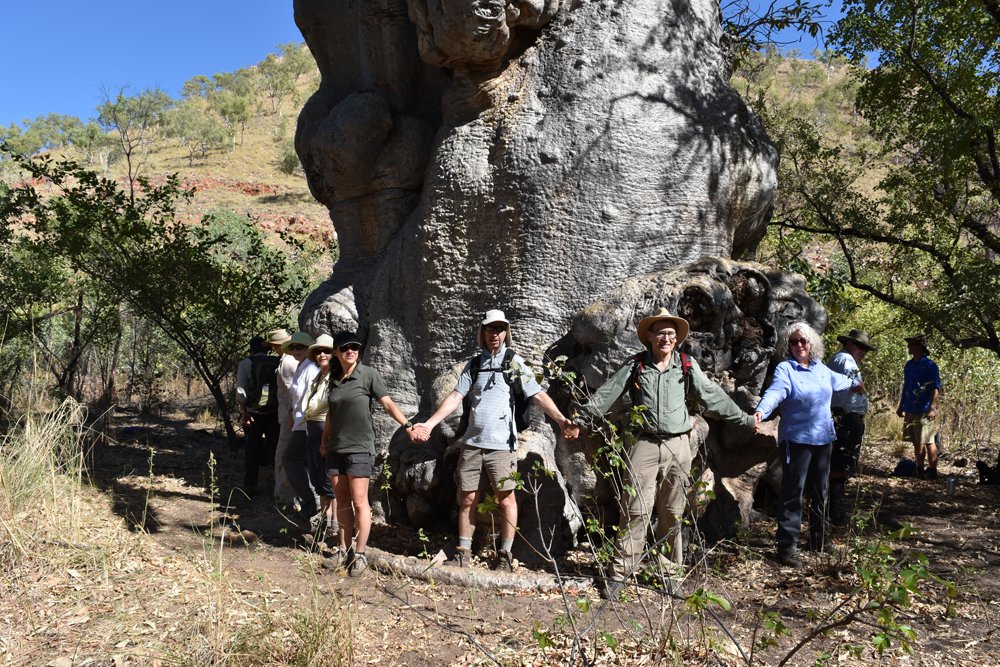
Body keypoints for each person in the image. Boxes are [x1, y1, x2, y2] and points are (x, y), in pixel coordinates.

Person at [568, 307, 758, 598]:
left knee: (672, 510)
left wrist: (744, 419)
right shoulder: (635, 365)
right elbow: (607, 393)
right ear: (650, 336)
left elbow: (712, 395)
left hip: (679, 445)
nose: (666, 338)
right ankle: (620, 573)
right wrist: (581, 419)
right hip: (643, 444)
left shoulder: (685, 365)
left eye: (671, 333)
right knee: (635, 509)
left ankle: (669, 574)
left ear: (676, 338)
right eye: (660, 333)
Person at [411, 310, 575, 571]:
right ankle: (463, 551)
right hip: (472, 443)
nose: (494, 334)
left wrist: (560, 419)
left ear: (506, 332)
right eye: (490, 329)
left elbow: (537, 395)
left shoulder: (514, 363)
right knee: (466, 498)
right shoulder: (474, 365)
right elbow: (455, 396)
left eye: (499, 329)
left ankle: (505, 555)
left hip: (502, 445)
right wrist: (429, 424)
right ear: (483, 333)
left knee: (506, 498)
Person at [755, 322, 856, 568]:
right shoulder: (785, 369)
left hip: (824, 439)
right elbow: (776, 392)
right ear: (788, 346)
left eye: (803, 341)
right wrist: (760, 411)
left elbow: (843, 381)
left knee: (820, 491)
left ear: (812, 344)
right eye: (794, 342)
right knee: (793, 492)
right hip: (797, 440)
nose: (799, 345)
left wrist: (856, 381)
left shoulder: (822, 369)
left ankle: (819, 540)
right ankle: (787, 546)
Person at [322, 330, 420, 576]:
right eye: (345, 348)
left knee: (359, 501)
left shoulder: (368, 375)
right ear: (336, 352)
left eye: (354, 347)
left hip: (359, 449)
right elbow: (331, 415)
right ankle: (342, 551)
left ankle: (361, 554)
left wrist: (407, 426)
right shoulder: (334, 378)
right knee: (342, 501)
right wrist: (324, 441)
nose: (350, 351)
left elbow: (387, 403)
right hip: (335, 449)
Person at [827, 329, 874, 526]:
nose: (862, 351)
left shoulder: (841, 359)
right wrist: (863, 388)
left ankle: (832, 506)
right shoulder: (846, 360)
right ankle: (834, 509)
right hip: (846, 416)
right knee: (841, 462)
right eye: (859, 346)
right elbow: (855, 385)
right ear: (848, 344)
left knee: (840, 460)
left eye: (865, 348)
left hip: (844, 415)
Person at [235, 335, 280, 497]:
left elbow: (240, 391)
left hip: (253, 414)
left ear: (251, 349)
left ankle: (250, 484)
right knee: (276, 448)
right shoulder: (276, 362)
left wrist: (244, 412)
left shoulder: (246, 364)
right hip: (273, 413)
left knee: (252, 449)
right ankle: (279, 485)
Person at [303, 334, 337, 539]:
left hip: (326, 428)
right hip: (313, 428)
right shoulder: (318, 377)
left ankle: (333, 524)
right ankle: (325, 522)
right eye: (318, 351)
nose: (321, 354)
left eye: (326, 351)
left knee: (327, 476)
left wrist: (326, 438)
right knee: (317, 475)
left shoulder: (335, 377)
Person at [283, 331, 319, 519]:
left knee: (290, 459)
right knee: (304, 462)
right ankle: (311, 502)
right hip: (299, 423)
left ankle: (310, 501)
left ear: (308, 349)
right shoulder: (301, 367)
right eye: (293, 347)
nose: (296, 350)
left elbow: (313, 399)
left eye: (300, 347)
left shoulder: (311, 368)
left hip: (307, 424)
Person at [897, 333, 942, 480]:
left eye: (912, 344)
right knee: (916, 441)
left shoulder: (930, 365)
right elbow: (906, 386)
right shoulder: (909, 365)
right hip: (910, 407)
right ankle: (919, 469)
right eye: (909, 344)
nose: (909, 347)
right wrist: (901, 405)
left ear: (920, 347)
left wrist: (932, 407)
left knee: (929, 440)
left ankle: (933, 470)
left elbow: (935, 388)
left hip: (924, 408)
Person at [265, 328, 297, 509]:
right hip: (290, 418)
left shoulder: (287, 363)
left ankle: (284, 499)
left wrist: (292, 416)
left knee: (283, 459)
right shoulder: (292, 360)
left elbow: (293, 392)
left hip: (289, 419)